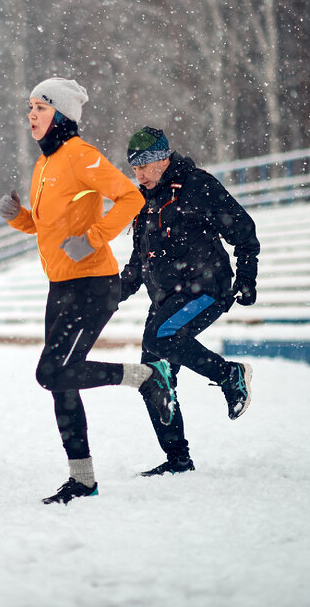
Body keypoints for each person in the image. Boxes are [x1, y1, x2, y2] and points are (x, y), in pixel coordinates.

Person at [0, 77, 176, 505]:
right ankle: (83, 480)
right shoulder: (45, 164)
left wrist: (95, 238)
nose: (31, 115)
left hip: (93, 284)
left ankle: (147, 377)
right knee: (60, 380)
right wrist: (19, 217)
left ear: (60, 114)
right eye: (30, 108)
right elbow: (50, 226)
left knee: (51, 372)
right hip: (60, 285)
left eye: (40, 107)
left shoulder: (81, 156)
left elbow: (130, 197)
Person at [119, 127, 259, 476]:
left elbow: (243, 230)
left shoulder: (198, 186)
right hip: (166, 299)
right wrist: (107, 297)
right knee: (152, 376)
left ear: (164, 159)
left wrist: (246, 277)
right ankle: (178, 459)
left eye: (145, 167)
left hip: (206, 288)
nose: (140, 175)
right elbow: (138, 265)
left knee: (161, 338)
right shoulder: (144, 203)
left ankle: (230, 375)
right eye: (134, 169)